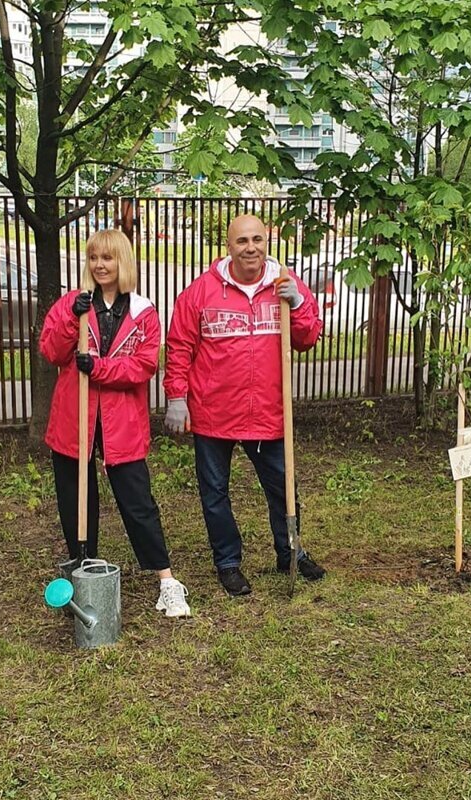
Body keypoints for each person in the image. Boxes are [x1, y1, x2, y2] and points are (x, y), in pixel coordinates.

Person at [163, 214, 325, 596]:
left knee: (284, 489)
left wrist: (299, 303)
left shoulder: (285, 283)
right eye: (242, 241)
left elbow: (307, 337)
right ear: (229, 246)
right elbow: (179, 346)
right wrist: (176, 397)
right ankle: (228, 563)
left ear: (266, 241)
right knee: (214, 493)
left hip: (268, 412)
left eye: (257, 239)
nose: (250, 247)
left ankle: (291, 552)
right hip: (213, 413)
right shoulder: (201, 292)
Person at [39, 229, 191, 618]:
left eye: (107, 258)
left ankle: (167, 582)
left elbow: (144, 366)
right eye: (93, 258)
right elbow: (51, 351)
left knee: (138, 503)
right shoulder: (74, 304)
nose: (99, 265)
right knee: (75, 502)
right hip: (75, 420)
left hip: (121, 423)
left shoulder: (143, 311)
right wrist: (72, 322)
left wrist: (101, 368)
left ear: (122, 262)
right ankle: (83, 569)